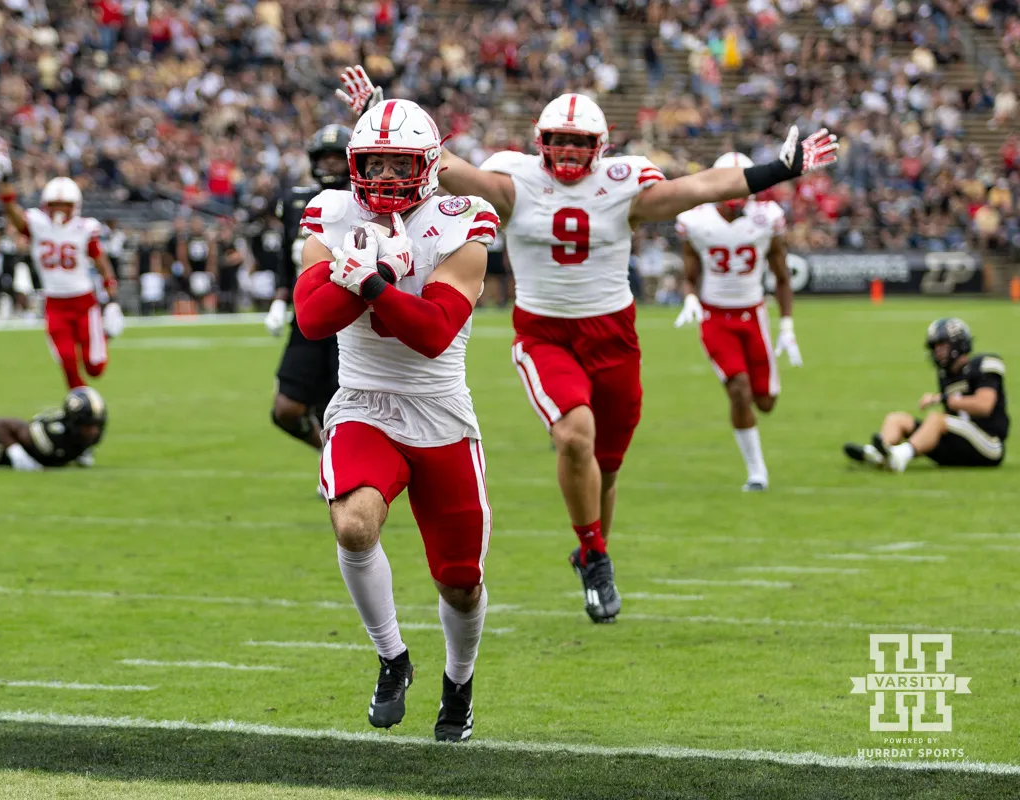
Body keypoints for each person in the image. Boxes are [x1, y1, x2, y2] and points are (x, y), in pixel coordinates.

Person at [336, 66, 839, 624]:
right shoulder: (514, 182)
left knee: (606, 465)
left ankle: (593, 546)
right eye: (561, 141)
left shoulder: (624, 187)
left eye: (580, 142)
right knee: (575, 436)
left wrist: (781, 168)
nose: (570, 151)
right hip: (545, 333)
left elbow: (699, 187)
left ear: (601, 147)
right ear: (540, 143)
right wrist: (380, 118)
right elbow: (440, 165)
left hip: (615, 335)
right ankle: (596, 556)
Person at [292, 99, 498, 742]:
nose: (381, 175)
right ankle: (391, 657)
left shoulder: (459, 221)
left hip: (440, 413)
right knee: (353, 525)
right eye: (372, 161)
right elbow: (311, 320)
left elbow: (435, 332)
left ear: (429, 166)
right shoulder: (332, 212)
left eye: (398, 162)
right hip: (363, 403)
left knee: (461, 583)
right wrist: (366, 276)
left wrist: (373, 283)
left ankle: (458, 684)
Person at [673, 152, 801, 491]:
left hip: (754, 314)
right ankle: (757, 471)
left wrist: (787, 324)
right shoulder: (696, 220)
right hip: (715, 316)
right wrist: (689, 297)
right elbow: (689, 273)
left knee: (766, 402)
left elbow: (782, 275)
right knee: (739, 390)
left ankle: (755, 458)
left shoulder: (767, 217)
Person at [0, 163, 124, 389]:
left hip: (84, 303)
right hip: (54, 304)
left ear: (76, 206)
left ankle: (104, 335)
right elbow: (12, 212)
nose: (59, 211)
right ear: (46, 206)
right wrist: (5, 182)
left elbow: (100, 260)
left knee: (95, 367)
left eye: (65, 205)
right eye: (54, 205)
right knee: (68, 364)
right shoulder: (38, 224)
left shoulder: (85, 227)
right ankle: (83, 412)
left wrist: (111, 294)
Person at [266, 125, 352, 463]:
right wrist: (278, 299)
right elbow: (286, 257)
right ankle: (327, 455)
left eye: (336, 158)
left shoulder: (362, 201)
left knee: (340, 405)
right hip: (305, 315)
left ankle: (340, 467)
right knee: (286, 409)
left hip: (348, 317)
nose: (330, 165)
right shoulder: (294, 202)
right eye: (324, 158)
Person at [844, 318, 1007, 471]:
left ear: (957, 343)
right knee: (897, 419)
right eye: (935, 347)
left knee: (936, 418)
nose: (937, 352)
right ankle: (880, 454)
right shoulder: (946, 375)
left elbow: (984, 406)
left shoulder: (984, 364)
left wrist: (943, 399)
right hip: (959, 444)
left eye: (941, 346)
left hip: (989, 445)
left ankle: (899, 456)